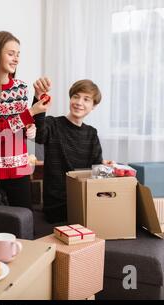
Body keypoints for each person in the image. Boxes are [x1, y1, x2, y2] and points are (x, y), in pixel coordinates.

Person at [0, 31, 51, 209]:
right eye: (10, 53)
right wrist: (31, 112)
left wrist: (30, 128)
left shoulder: (21, 88)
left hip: (19, 169)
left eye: (18, 54)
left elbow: (22, 127)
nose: (16, 59)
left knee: (25, 224)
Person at [32, 78, 114, 222]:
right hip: (57, 206)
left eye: (86, 99)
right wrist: (38, 98)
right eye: (76, 96)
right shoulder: (53, 124)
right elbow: (38, 135)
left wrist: (110, 171)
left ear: (93, 106)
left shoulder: (91, 133)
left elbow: (98, 170)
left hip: (84, 202)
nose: (79, 102)